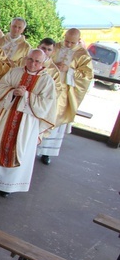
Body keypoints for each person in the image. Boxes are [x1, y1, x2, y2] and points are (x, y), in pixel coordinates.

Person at [0, 49, 57, 196]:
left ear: (43, 63)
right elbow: (1, 87)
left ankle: (7, 186)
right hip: (6, 115)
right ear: (26, 58)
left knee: (18, 150)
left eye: (37, 61)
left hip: (26, 123)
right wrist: (12, 92)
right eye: (30, 59)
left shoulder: (47, 81)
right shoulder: (15, 72)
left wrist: (27, 96)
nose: (33, 64)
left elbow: (47, 105)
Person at [37, 28, 93, 164]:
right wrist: (53, 65)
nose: (68, 45)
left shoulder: (83, 55)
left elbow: (87, 76)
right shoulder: (55, 46)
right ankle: (34, 146)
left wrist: (69, 71)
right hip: (47, 87)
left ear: (78, 40)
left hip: (64, 92)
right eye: (66, 40)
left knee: (56, 119)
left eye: (72, 42)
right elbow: (43, 59)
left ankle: (47, 153)